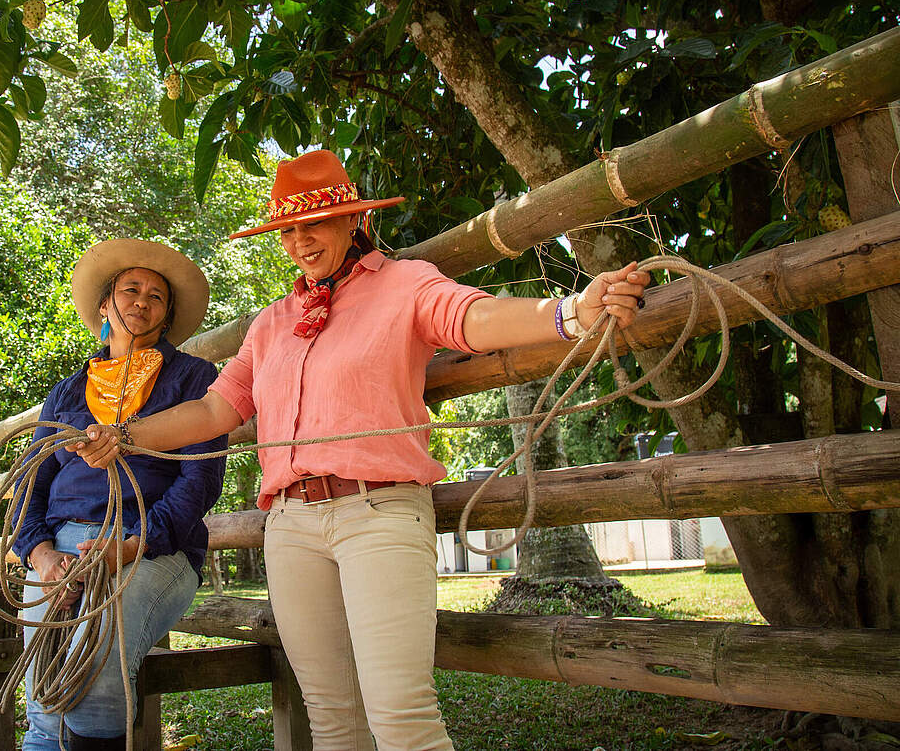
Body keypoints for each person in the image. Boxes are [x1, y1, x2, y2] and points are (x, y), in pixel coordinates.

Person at [70, 152, 648, 751]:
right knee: (330, 717)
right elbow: (218, 410)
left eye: (316, 222)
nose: (301, 240)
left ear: (354, 222)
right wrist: (126, 437)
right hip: (290, 526)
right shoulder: (271, 324)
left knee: (402, 716)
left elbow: (470, 319)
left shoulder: (405, 285)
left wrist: (569, 313)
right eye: (288, 230)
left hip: (380, 515)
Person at [13, 239, 227, 751]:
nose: (142, 301)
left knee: (97, 662)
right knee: (44, 705)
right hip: (61, 550)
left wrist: (129, 546)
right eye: (130, 289)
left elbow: (198, 483)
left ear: (166, 315)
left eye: (156, 296)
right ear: (106, 305)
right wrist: (42, 556)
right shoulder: (67, 391)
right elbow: (32, 484)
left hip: (153, 548)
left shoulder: (194, 378)